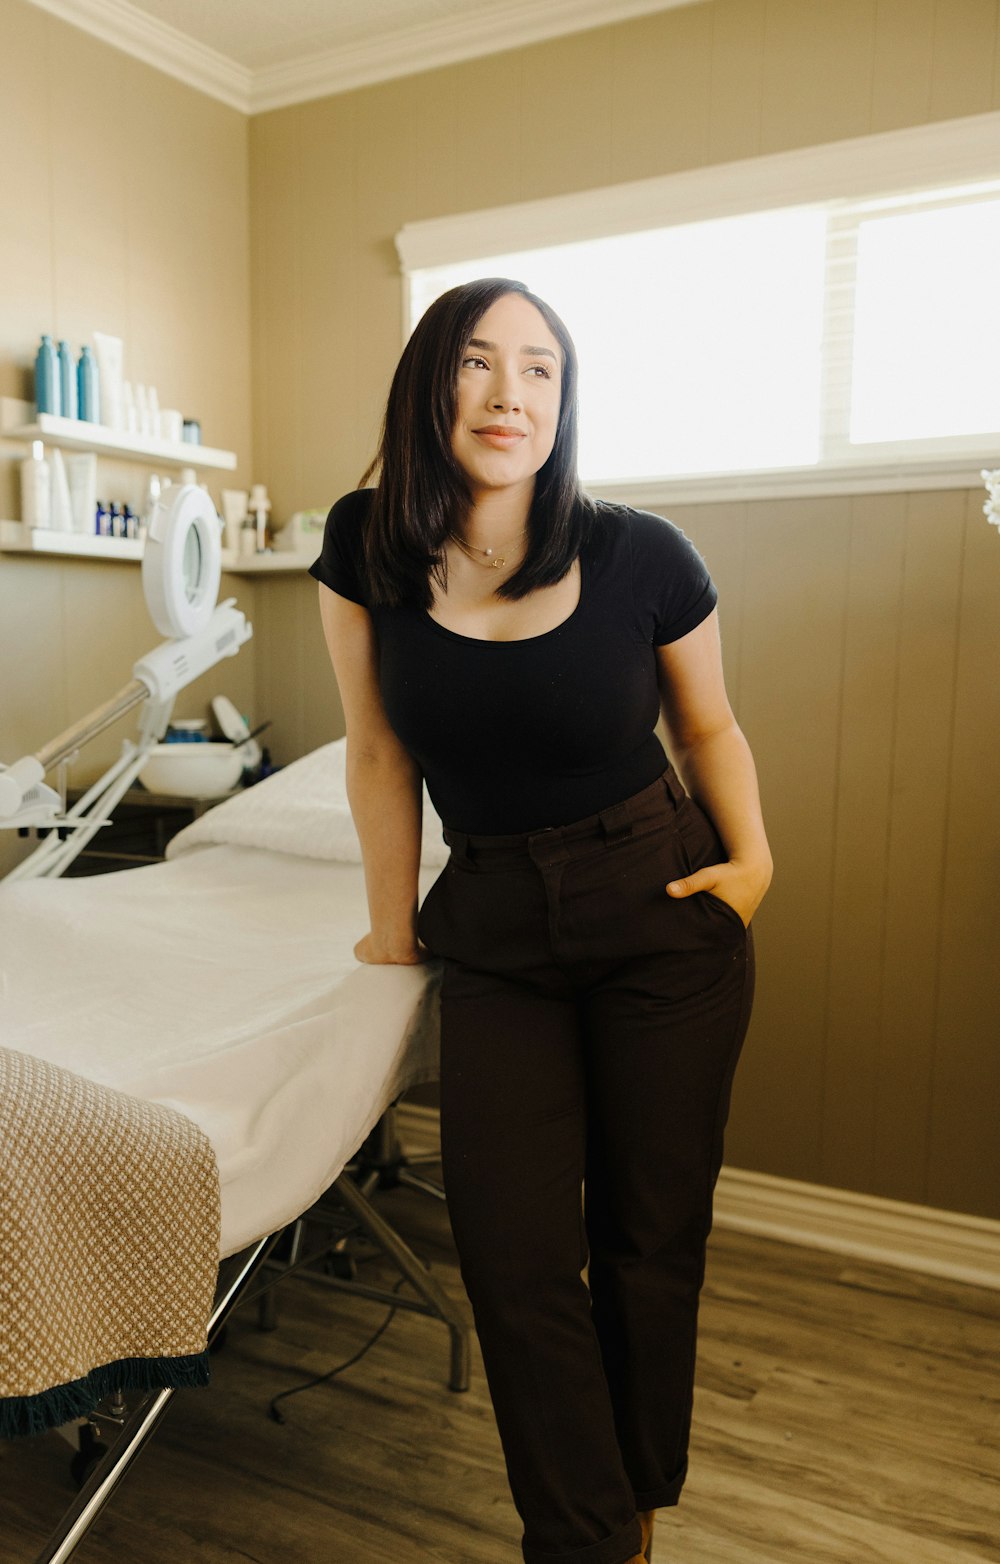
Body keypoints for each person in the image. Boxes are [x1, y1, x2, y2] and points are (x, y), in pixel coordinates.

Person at [310, 277, 772, 1564]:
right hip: (498, 927)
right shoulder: (365, 546)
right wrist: (389, 927)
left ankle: (622, 1522)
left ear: (563, 403)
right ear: (430, 383)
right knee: (513, 1255)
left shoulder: (641, 555)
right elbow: (375, 749)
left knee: (644, 1240)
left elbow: (710, 727)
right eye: (475, 363)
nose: (508, 394)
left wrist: (754, 863)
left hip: (661, 907)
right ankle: (581, 1535)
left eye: (539, 371)